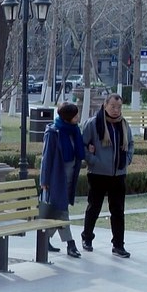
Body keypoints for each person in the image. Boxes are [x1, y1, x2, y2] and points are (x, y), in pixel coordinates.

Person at [80, 93, 135, 258]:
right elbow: (82, 145)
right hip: (98, 173)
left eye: (119, 107)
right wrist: (93, 160)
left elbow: (130, 143)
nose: (116, 110)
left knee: (118, 210)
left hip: (119, 174)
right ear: (105, 105)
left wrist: (127, 160)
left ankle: (118, 245)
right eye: (113, 106)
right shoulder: (93, 124)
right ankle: (87, 238)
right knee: (94, 207)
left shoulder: (123, 124)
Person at [39, 102, 85, 258]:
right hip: (56, 178)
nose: (78, 117)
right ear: (67, 117)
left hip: (70, 177)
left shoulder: (74, 130)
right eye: (75, 115)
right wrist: (44, 181)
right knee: (62, 211)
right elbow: (46, 158)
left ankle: (44, 239)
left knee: (57, 211)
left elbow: (78, 151)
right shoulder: (53, 133)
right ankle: (70, 244)